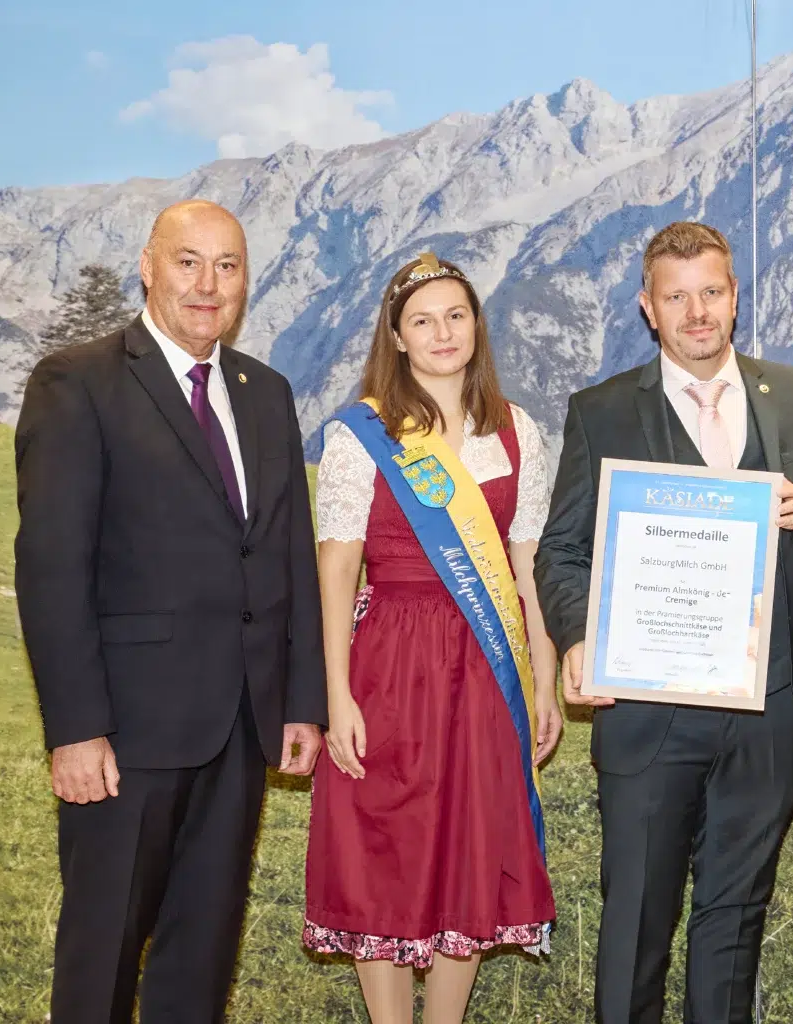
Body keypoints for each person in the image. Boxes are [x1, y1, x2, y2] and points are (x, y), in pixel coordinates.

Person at [534, 221, 793, 1024]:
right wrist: (578, 637)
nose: (697, 312)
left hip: (769, 708)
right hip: (648, 709)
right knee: (635, 922)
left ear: (734, 296)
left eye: (710, 292)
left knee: (735, 920)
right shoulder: (601, 410)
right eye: (676, 297)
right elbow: (561, 551)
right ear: (649, 308)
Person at [14, 199, 326, 1023]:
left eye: (227, 266)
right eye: (188, 261)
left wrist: (301, 701)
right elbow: (51, 567)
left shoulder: (267, 392)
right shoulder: (77, 381)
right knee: (103, 951)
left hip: (239, 725)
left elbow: (288, 550)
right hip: (125, 733)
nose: (207, 284)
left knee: (203, 950)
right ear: (148, 267)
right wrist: (75, 728)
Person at [303, 253, 561, 1024]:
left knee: (470, 843)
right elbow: (337, 568)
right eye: (423, 320)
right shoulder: (362, 434)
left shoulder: (518, 432)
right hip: (390, 660)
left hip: (487, 667)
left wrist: (543, 677)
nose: (442, 333)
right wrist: (337, 693)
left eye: (456, 315)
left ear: (477, 326)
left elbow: (525, 568)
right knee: (384, 841)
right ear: (398, 337)